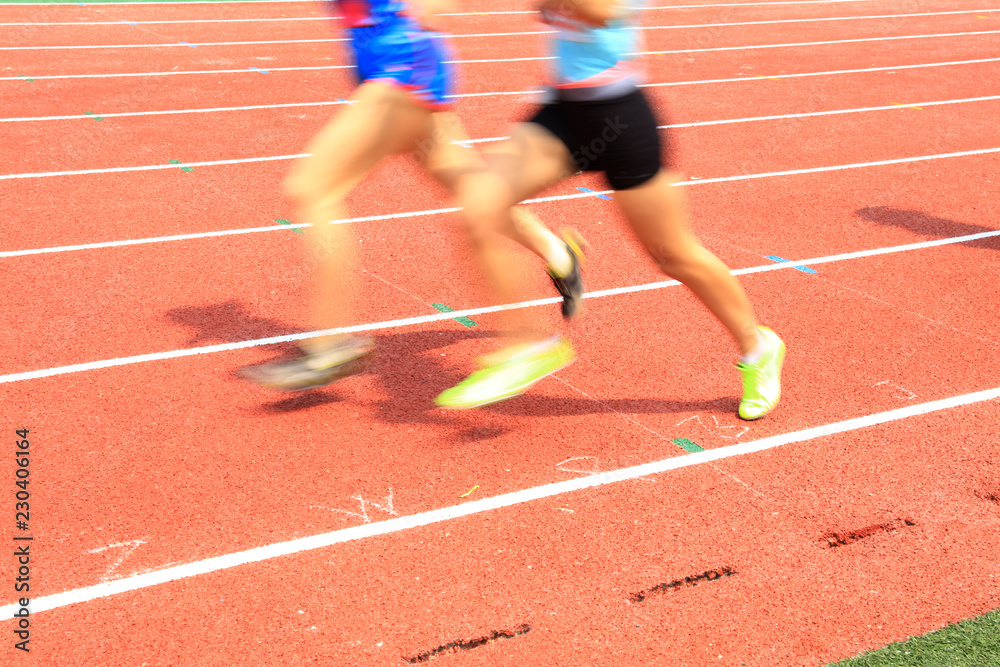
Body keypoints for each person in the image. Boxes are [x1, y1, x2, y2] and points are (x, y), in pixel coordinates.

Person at [433, 0, 785, 420]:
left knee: (673, 255)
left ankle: (758, 347)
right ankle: (528, 345)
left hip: (620, 119)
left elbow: (603, 11)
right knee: (478, 207)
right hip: (562, 115)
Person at [240, 0, 586, 391]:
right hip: (398, 66)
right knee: (473, 191)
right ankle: (556, 252)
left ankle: (330, 344)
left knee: (312, 189)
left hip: (402, 69)